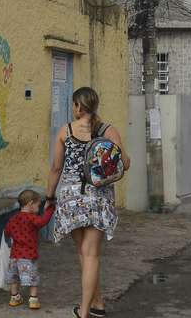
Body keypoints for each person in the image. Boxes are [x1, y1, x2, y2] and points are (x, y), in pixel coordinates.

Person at [45, 87, 130, 318]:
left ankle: (84, 312)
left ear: (78, 107)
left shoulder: (65, 131)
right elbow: (125, 163)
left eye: (74, 105)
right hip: (98, 198)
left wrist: (49, 197)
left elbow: (56, 168)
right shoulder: (108, 130)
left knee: (83, 253)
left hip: (71, 199)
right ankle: (97, 304)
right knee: (90, 253)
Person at [3, 189, 55, 310]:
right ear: (30, 203)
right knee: (33, 278)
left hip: (14, 256)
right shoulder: (31, 218)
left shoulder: (14, 218)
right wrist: (49, 210)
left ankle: (14, 298)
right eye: (38, 205)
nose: (38, 208)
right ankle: (33, 300)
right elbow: (43, 221)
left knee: (14, 278)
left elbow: (7, 231)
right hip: (29, 255)